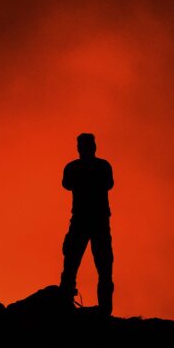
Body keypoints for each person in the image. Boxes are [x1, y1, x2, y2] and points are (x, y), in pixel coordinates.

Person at [59, 133, 114, 315]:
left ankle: (66, 305)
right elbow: (109, 184)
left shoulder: (73, 167)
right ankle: (104, 310)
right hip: (96, 221)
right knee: (101, 266)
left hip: (83, 221)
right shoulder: (103, 166)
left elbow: (66, 184)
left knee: (73, 263)